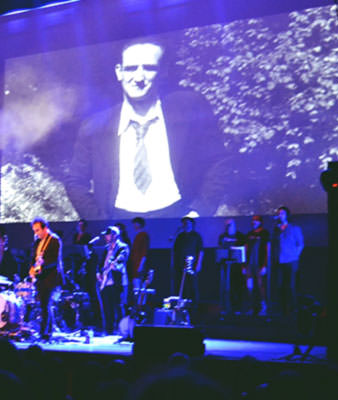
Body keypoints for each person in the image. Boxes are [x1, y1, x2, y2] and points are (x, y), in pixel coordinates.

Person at [66, 40, 228, 220]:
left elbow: (218, 162)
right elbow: (75, 182)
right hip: (120, 223)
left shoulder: (189, 108)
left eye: (149, 68)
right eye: (131, 68)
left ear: (163, 71)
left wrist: (199, 211)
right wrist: (100, 221)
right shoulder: (95, 126)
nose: (139, 78)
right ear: (119, 72)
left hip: (177, 218)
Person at [29, 217, 64, 340]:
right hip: (41, 277)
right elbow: (34, 258)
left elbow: (54, 261)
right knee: (43, 304)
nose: (36, 233)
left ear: (45, 228)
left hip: (51, 277)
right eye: (34, 231)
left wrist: (42, 265)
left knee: (46, 304)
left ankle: (45, 333)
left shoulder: (54, 240)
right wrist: (32, 268)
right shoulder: (37, 242)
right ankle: (45, 331)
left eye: (38, 230)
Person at [96, 226, 129, 335]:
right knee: (106, 307)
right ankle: (108, 330)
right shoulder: (106, 248)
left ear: (115, 235)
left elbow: (122, 260)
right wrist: (98, 273)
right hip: (105, 282)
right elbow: (100, 263)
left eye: (108, 234)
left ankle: (121, 331)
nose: (106, 236)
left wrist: (115, 266)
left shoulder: (122, 247)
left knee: (118, 306)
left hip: (117, 281)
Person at [272, 206, 304, 316]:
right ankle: (282, 309)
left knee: (291, 286)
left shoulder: (294, 228)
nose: (280, 215)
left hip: (291, 260)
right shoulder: (276, 229)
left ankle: (293, 309)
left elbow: (300, 244)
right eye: (278, 213)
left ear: (287, 215)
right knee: (280, 285)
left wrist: (295, 256)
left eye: (282, 213)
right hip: (280, 261)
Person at [171, 217, 203, 305]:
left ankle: (194, 305)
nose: (185, 225)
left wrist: (198, 264)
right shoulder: (180, 236)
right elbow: (175, 251)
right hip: (180, 265)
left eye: (187, 223)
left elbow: (200, 251)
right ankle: (182, 305)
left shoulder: (196, 236)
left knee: (192, 285)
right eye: (184, 223)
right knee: (181, 285)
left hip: (192, 265)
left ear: (192, 224)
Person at [217, 219, 245, 314]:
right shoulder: (222, 236)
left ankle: (238, 308)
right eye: (227, 225)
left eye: (230, 225)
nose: (228, 226)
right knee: (226, 287)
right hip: (225, 266)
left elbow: (243, 250)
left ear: (234, 225)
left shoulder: (240, 236)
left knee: (237, 287)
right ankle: (225, 307)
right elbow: (220, 249)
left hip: (237, 266)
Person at [246, 215, 270, 315]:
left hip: (260, 264)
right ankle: (252, 307)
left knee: (261, 286)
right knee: (249, 285)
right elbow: (245, 249)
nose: (253, 222)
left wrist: (265, 264)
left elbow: (267, 249)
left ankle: (263, 307)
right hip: (249, 265)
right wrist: (244, 265)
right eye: (252, 220)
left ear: (260, 222)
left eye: (256, 221)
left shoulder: (265, 233)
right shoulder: (249, 234)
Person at [128, 217, 151, 309]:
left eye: (136, 223)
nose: (134, 225)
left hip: (139, 265)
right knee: (136, 286)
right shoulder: (137, 235)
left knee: (139, 286)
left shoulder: (143, 235)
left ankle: (140, 305)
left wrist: (141, 265)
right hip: (134, 265)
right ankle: (137, 305)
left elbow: (144, 252)